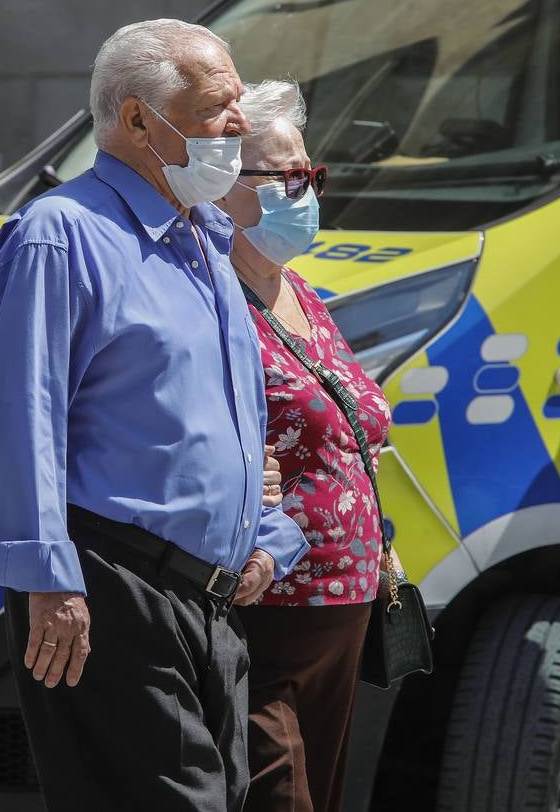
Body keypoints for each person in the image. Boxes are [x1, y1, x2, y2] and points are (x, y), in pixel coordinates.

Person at [0, 20, 310, 812]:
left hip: (210, 601)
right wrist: (49, 583)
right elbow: (24, 419)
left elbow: (226, 416)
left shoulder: (206, 238)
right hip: (111, 589)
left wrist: (263, 541)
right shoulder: (62, 235)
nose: (238, 123)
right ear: (135, 121)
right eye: (217, 105)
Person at [216, 79, 395, 812]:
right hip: (269, 605)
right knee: (277, 793)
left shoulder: (303, 293)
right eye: (285, 175)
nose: (304, 190)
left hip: (347, 603)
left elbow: (347, 432)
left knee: (322, 793)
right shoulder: (211, 298)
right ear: (219, 186)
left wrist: (379, 536)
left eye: (309, 174)